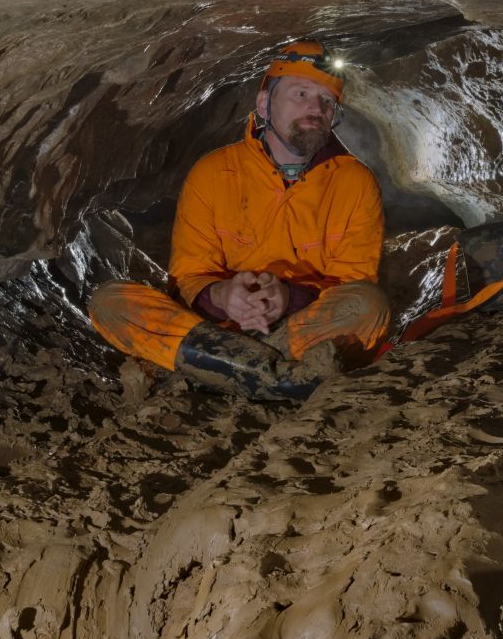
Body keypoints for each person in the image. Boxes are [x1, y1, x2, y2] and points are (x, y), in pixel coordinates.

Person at [89, 40, 389, 400]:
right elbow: (189, 273)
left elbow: (354, 281)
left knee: (369, 306)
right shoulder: (213, 172)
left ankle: (213, 370)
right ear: (264, 104)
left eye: (327, 101)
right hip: (217, 327)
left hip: (300, 326)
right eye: (301, 93)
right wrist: (224, 295)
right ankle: (282, 377)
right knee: (109, 302)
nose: (315, 107)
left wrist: (287, 297)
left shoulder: (354, 181)